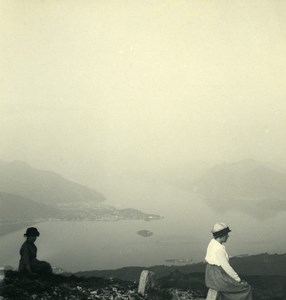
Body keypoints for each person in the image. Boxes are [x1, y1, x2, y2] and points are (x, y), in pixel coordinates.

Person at [205, 222, 252, 300]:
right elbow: (227, 267)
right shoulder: (219, 249)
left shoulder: (212, 243)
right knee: (245, 288)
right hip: (218, 277)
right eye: (226, 234)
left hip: (211, 276)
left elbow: (216, 259)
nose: (228, 236)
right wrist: (238, 279)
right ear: (221, 235)